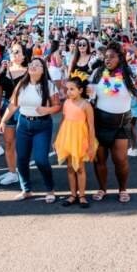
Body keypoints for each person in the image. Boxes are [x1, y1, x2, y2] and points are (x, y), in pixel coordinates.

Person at [87, 41, 137, 204]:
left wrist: (134, 48)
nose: (107, 59)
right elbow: (89, 98)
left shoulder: (128, 73)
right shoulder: (97, 73)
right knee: (99, 160)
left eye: (112, 57)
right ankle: (102, 188)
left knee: (120, 160)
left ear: (120, 58)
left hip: (121, 124)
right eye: (105, 57)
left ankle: (122, 189)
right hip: (100, 122)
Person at [0, 57, 61, 202]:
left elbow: (58, 106)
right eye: (31, 64)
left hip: (42, 125)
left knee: (41, 160)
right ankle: (26, 190)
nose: (33, 66)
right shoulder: (21, 84)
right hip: (23, 124)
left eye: (37, 65)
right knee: (21, 159)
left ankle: (50, 189)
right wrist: (3, 120)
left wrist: (47, 109)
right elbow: (13, 105)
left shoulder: (49, 86)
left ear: (43, 70)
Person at [54, 75, 97, 208]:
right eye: (67, 89)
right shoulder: (66, 103)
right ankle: (73, 194)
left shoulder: (86, 105)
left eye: (72, 89)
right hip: (67, 137)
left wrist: (90, 145)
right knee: (70, 168)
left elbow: (91, 126)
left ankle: (82, 195)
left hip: (80, 139)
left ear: (80, 90)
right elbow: (63, 121)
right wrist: (57, 139)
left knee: (79, 168)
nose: (69, 92)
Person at [0, 42, 28, 186]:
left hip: (24, 110)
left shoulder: (29, 72)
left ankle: (23, 172)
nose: (14, 55)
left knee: (23, 144)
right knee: (9, 143)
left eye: (17, 52)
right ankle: (12, 172)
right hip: (7, 109)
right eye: (12, 52)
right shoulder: (4, 72)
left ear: (23, 55)